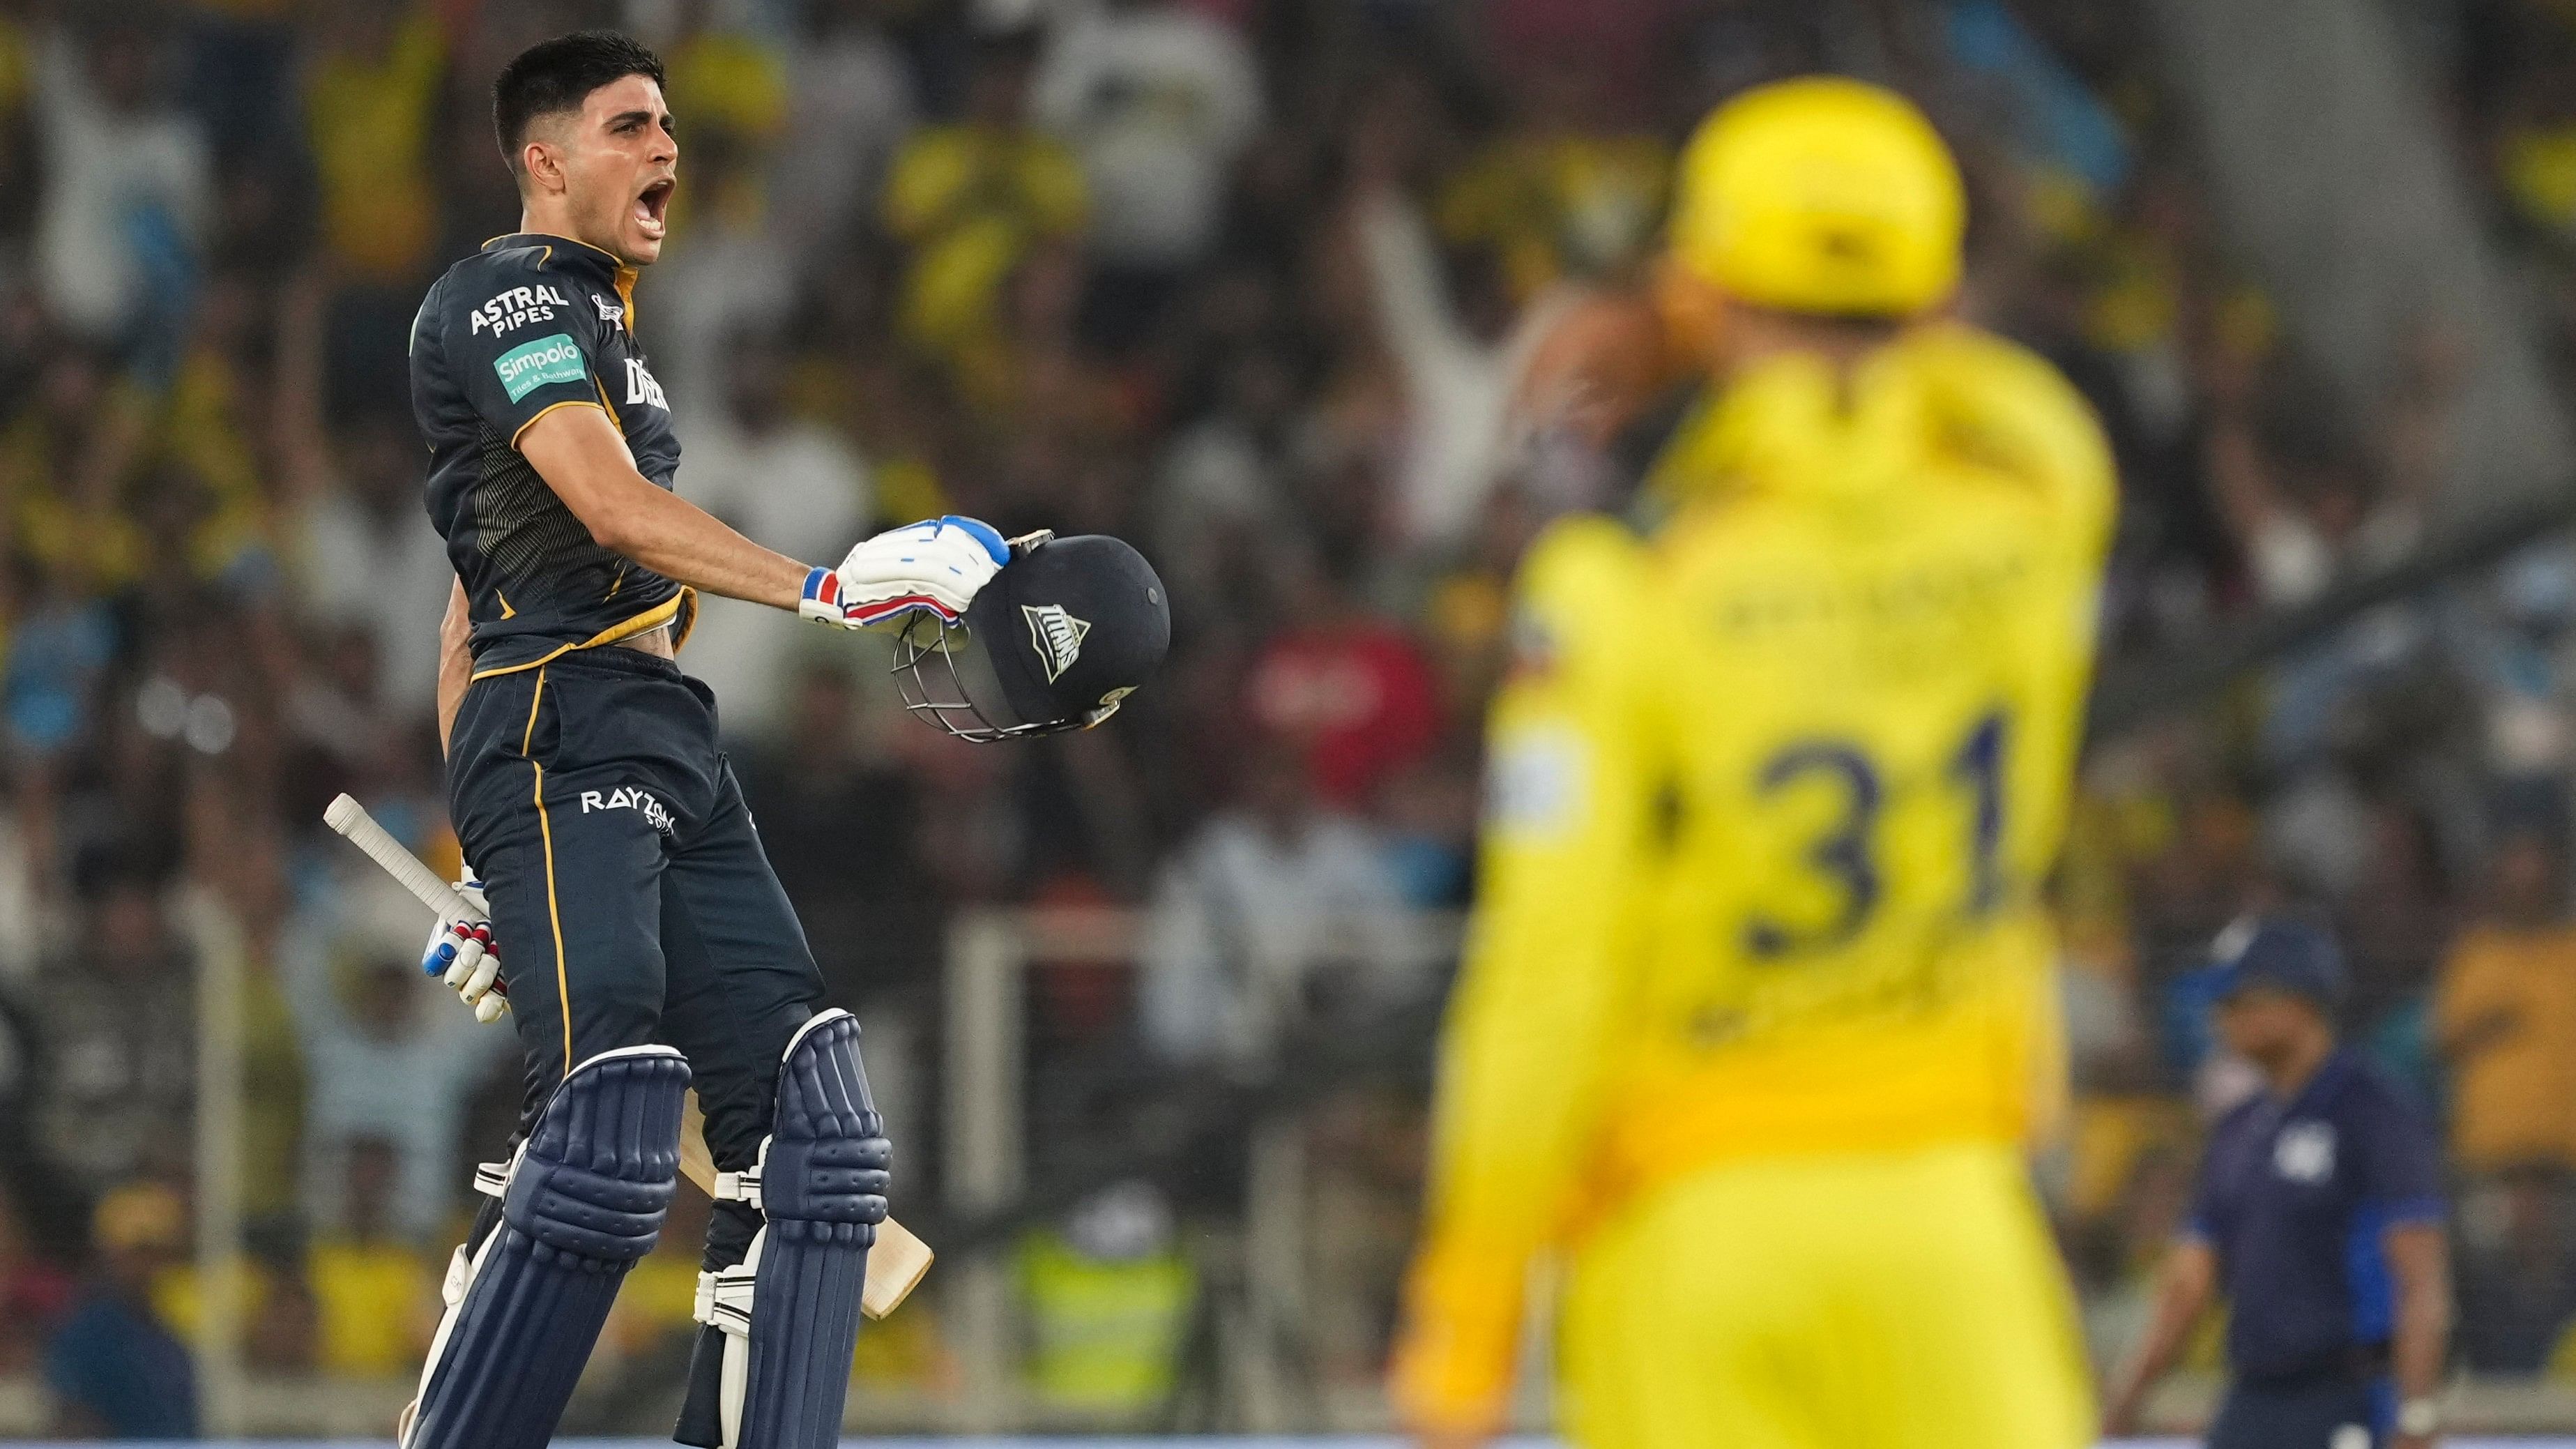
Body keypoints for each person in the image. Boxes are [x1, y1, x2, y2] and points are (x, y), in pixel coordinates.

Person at [399, 30, 1166, 1449]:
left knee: (819, 1146)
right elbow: (612, 514)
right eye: (630, 125)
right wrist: (827, 588)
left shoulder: (603, 328)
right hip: (566, 724)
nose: (666, 150)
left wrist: (493, 864)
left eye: (669, 125)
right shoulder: (505, 295)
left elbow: (465, 605)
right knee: (611, 1133)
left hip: (653, 732)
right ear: (543, 158)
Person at [1389, 78, 2114, 1449]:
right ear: (1940, 301)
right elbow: (2012, 401)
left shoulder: (1619, 587)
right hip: (1954, 1214)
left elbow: (1545, 969)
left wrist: (1470, 1300)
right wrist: (1883, 318)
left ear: (1696, 293)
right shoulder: (2032, 509)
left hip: (1691, 1224)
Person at [2103, 918, 2451, 1448]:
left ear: (2299, 1002)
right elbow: (2187, 1285)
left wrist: (2417, 1414)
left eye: (2240, 1000)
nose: (2222, 1017)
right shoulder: (2236, 1129)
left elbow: (2420, 1277)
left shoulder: (2374, 1113)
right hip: (2252, 1397)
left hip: (2350, 1390)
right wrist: (2124, 1401)